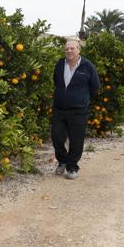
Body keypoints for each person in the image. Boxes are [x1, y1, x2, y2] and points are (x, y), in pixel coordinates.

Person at [51, 39, 99, 179]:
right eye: (67, 49)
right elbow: (56, 81)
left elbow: (95, 86)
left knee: (76, 139)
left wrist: (82, 99)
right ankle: (62, 160)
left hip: (78, 110)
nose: (69, 51)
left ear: (79, 50)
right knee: (56, 136)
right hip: (60, 108)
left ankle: (72, 167)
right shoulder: (60, 64)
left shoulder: (88, 66)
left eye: (72, 48)